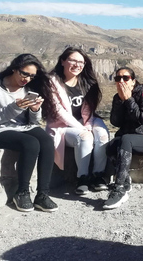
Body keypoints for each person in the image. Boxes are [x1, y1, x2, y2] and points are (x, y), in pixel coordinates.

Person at [0, 54, 58, 212]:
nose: (27, 79)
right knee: (30, 143)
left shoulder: (29, 89)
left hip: (23, 127)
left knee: (46, 141)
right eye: (24, 74)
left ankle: (42, 194)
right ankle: (22, 192)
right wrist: (15, 107)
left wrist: (34, 110)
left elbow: (33, 122)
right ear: (14, 69)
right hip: (1, 129)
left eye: (32, 76)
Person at [46, 47, 109, 195]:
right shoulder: (52, 82)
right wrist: (81, 127)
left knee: (103, 135)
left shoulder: (86, 82)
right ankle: (83, 178)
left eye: (81, 62)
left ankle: (98, 175)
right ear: (63, 61)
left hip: (86, 120)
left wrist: (87, 123)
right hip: (62, 126)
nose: (77, 64)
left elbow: (90, 108)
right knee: (85, 137)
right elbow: (58, 111)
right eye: (72, 60)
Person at [103, 67, 143, 209]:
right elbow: (115, 122)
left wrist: (129, 99)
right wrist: (120, 101)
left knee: (125, 139)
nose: (121, 81)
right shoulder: (117, 96)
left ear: (133, 81)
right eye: (118, 78)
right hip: (127, 139)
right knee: (111, 146)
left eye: (125, 78)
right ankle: (126, 180)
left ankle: (119, 188)